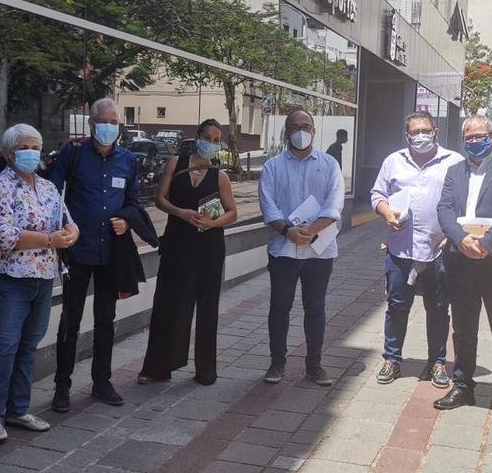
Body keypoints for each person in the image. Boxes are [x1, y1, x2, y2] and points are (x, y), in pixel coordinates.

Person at [0, 124, 79, 443]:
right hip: (10, 279)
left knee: (28, 346)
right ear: (9, 153)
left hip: (43, 277)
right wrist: (51, 239)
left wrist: (70, 233)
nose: (32, 153)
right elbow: (3, 236)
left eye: (36, 147)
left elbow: (68, 221)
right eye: (24, 147)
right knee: (5, 347)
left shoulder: (49, 188)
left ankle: (18, 409)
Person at [434, 114, 492, 426]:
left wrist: (486, 243)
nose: (474, 142)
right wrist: (461, 240)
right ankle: (463, 386)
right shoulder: (454, 171)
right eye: (469, 138)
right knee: (462, 328)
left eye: (480, 136)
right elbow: (444, 208)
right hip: (460, 260)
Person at [46, 97, 139, 412]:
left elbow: (133, 201)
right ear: (91, 124)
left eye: (115, 122)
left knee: (106, 319)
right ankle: (62, 385)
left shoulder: (128, 160)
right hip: (78, 251)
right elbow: (50, 195)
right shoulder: (73, 155)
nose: (110, 127)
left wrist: (126, 219)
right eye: (104, 121)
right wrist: (59, 231)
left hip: (110, 253)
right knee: (70, 319)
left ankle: (102, 381)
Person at [138, 119, 237, 386]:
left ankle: (206, 370)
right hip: (177, 244)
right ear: (198, 136)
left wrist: (212, 222)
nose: (212, 144)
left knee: (207, 308)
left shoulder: (220, 176)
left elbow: (232, 213)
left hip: (209, 248)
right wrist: (182, 213)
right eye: (208, 138)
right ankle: (158, 367)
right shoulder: (176, 163)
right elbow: (160, 199)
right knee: (167, 305)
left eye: (217, 141)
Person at [370, 111, 463, 388]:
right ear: (407, 135)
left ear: (435, 131)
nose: (421, 136)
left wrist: (454, 233)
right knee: (397, 306)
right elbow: (378, 194)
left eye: (426, 130)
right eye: (415, 132)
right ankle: (392, 359)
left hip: (439, 249)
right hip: (401, 249)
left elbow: (465, 200)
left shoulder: (454, 162)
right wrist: (386, 213)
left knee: (437, 308)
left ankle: (437, 361)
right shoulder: (393, 161)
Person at [258, 109, 344, 386]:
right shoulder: (272, 166)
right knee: (280, 307)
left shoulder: (330, 164)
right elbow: (267, 204)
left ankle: (314, 365)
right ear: (287, 131)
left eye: (306, 126)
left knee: (315, 308)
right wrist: (287, 230)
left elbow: (335, 202)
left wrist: (313, 229)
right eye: (296, 126)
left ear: (314, 131)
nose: (301, 131)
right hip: (283, 249)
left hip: (320, 251)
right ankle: (276, 363)